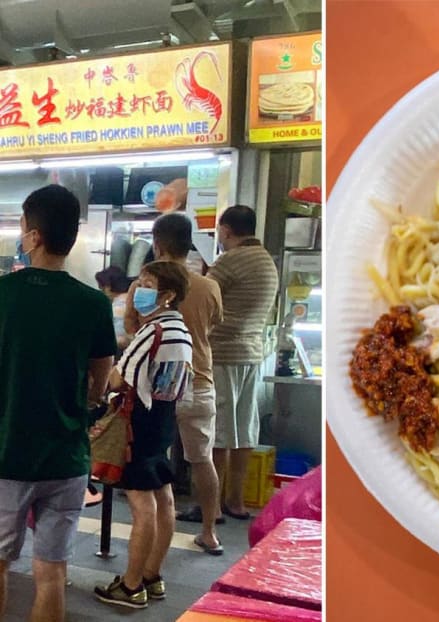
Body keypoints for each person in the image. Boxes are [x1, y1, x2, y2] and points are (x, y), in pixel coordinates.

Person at [0, 185, 116, 622]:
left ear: (33, 236)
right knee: (51, 572)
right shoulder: (92, 304)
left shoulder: (3, 295)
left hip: (6, 454)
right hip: (66, 457)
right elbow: (99, 384)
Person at [124, 212, 225, 554]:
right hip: (199, 380)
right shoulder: (210, 285)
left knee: (156, 471)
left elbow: (132, 330)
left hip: (156, 387)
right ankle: (210, 531)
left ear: (157, 243)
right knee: (202, 459)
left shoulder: (144, 285)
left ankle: (148, 557)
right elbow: (213, 327)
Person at [94, 261, 193, 610]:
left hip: (138, 425)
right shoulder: (179, 328)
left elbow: (120, 379)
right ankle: (152, 574)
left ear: (168, 295)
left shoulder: (153, 332)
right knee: (163, 498)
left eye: (148, 284)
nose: (140, 289)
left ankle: (131, 585)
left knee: (142, 505)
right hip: (163, 421)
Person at [209, 205, 279, 520]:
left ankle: (211, 507)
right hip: (252, 354)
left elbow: (205, 300)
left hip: (223, 353)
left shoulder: (230, 260)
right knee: (244, 430)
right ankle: (235, 502)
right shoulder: (266, 261)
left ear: (226, 230)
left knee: (219, 433)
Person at [95, 265, 133, 352]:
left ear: (107, 287)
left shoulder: (118, 307)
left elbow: (120, 339)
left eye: (102, 288)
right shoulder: (131, 299)